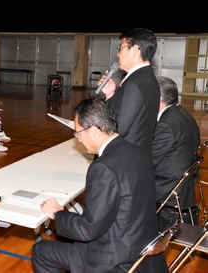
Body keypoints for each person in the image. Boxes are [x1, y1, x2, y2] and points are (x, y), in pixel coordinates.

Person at [32, 98, 167, 273]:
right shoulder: (137, 151)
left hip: (115, 260)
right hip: (142, 251)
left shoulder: (102, 167)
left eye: (78, 133)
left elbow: (88, 229)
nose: (78, 139)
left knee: (41, 251)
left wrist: (57, 214)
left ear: (95, 130)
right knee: (68, 237)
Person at [98, 27, 160, 160]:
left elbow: (119, 127)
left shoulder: (134, 83)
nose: (118, 54)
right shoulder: (148, 78)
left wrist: (95, 126)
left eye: (121, 48)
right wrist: (111, 95)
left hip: (126, 158)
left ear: (135, 49)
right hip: (138, 156)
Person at [154, 76, 200, 227]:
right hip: (182, 187)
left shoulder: (167, 124)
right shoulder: (181, 114)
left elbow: (148, 160)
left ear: (159, 99)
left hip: (167, 189)